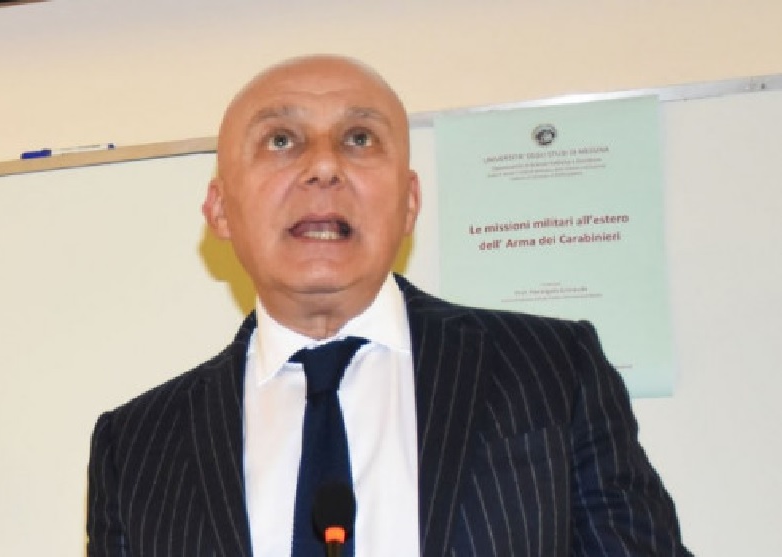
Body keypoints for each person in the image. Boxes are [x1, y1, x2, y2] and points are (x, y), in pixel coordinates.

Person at [86, 54, 691, 557]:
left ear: (408, 203)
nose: (324, 166)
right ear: (220, 210)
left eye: (359, 139)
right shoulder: (136, 447)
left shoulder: (552, 369)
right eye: (281, 140)